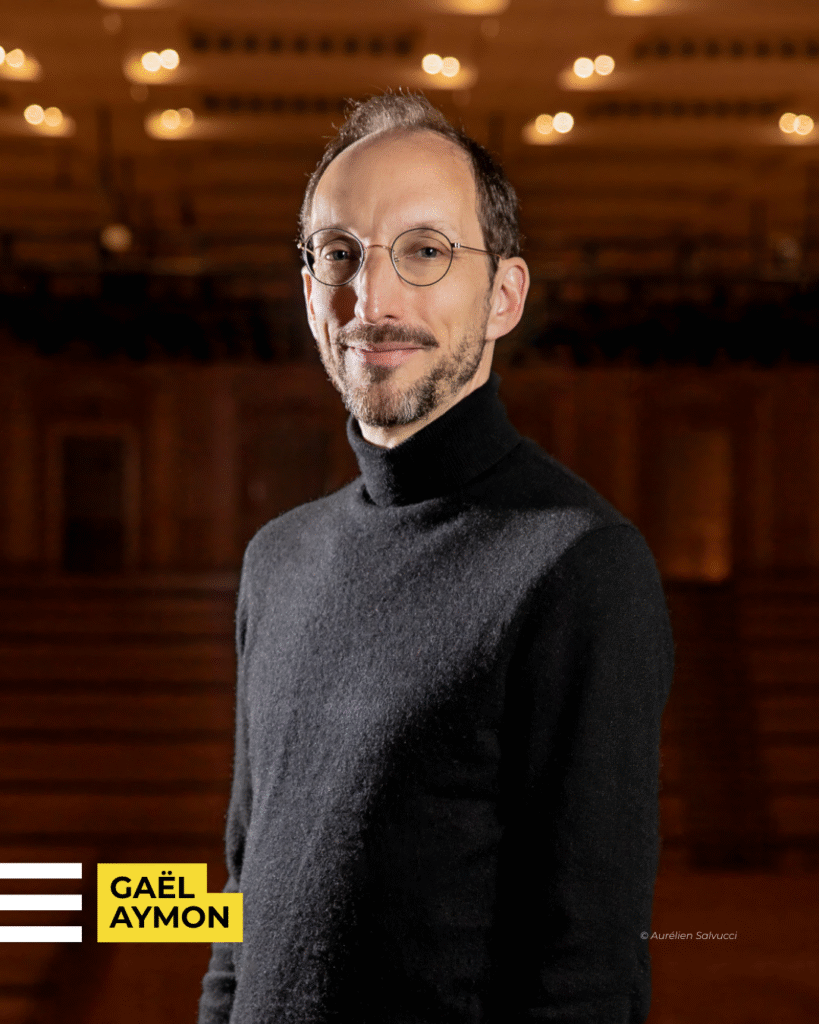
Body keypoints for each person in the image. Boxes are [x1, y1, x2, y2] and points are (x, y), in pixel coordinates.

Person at [199, 91, 673, 1024]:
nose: (371, 301)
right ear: (308, 287)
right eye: (338, 253)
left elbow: (586, 975)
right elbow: (241, 896)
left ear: (503, 297)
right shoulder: (277, 558)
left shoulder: (579, 565)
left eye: (424, 252)